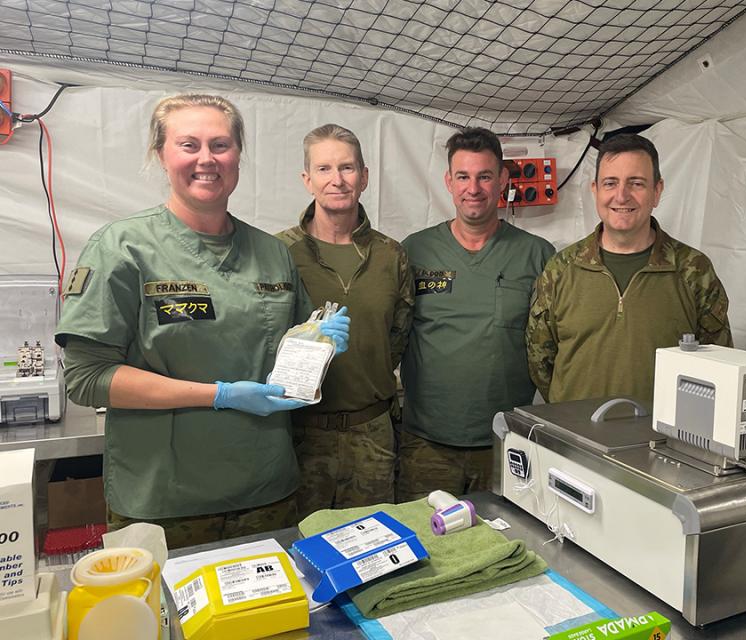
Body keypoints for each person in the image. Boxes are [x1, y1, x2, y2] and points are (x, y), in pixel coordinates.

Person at [55, 94, 349, 549]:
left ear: (237, 156)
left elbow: (283, 358)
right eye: (188, 145)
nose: (206, 159)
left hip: (265, 492)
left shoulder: (271, 254)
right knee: (161, 621)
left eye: (220, 145)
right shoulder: (122, 248)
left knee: (271, 619)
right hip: (163, 501)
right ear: (161, 154)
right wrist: (221, 396)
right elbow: (87, 378)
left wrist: (316, 344)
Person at [398, 127, 555, 501]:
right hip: (426, 445)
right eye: (464, 177)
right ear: (448, 182)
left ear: (502, 179)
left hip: (506, 443)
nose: (474, 188)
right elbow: (391, 333)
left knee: (507, 543)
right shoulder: (414, 251)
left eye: (485, 176)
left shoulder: (538, 255)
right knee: (427, 544)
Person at [526, 133, 732, 409]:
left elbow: (717, 363)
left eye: (636, 183)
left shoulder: (693, 270)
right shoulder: (561, 269)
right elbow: (541, 360)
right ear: (595, 190)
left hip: (661, 443)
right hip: (575, 440)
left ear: (657, 191)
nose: (621, 195)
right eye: (610, 183)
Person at [277, 124, 413, 512]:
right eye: (324, 169)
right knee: (300, 551)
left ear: (364, 177)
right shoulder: (278, 253)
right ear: (307, 179)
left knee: (372, 549)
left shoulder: (392, 255)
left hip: (372, 435)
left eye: (347, 168)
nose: (336, 180)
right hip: (301, 436)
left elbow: (398, 339)